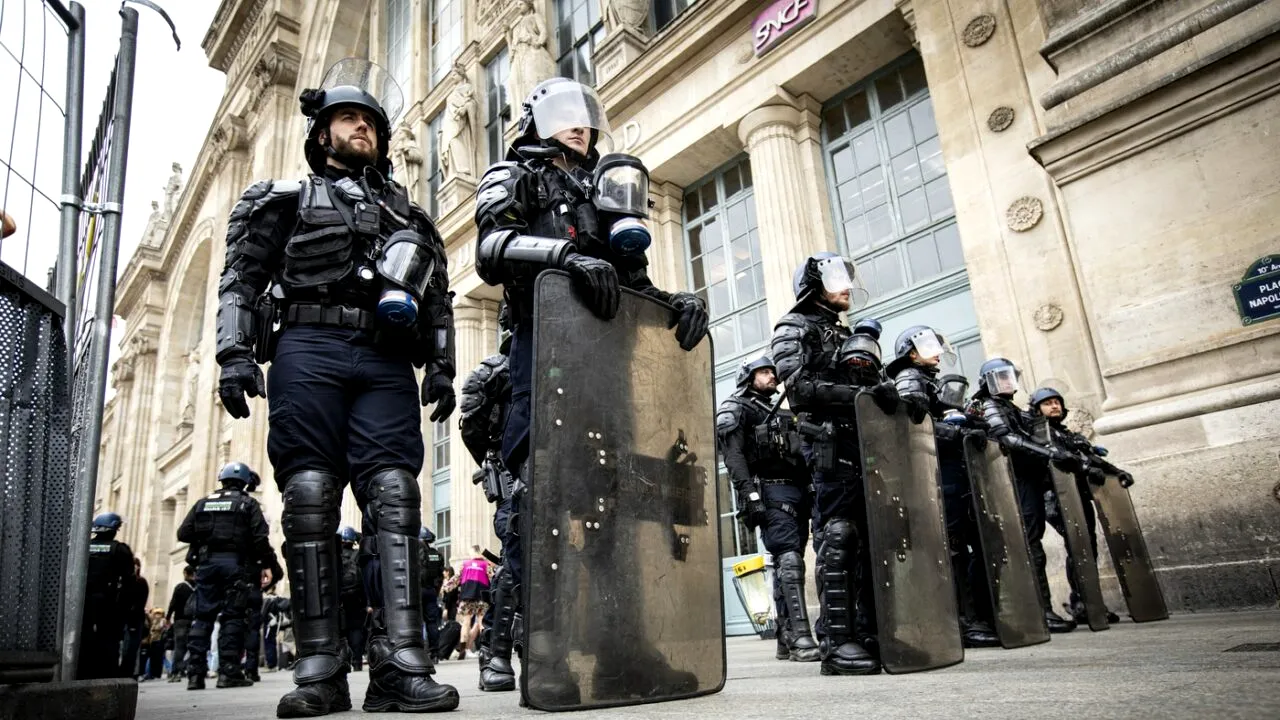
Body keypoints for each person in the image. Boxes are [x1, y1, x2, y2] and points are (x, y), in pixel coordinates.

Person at [213, 58, 459, 717]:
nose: (362, 128)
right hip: (307, 344)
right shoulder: (281, 200)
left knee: (395, 493)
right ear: (322, 133)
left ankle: (401, 663)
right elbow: (241, 277)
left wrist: (442, 364)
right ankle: (319, 669)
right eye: (349, 119)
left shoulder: (409, 215)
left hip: (385, 355)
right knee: (310, 495)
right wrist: (234, 354)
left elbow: (439, 297)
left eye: (371, 122)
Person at [472, 75, 708, 698]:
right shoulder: (516, 176)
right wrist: (563, 257)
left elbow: (633, 283)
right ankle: (543, 656)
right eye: (563, 114)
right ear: (536, 120)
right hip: (543, 355)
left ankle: (623, 652)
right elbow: (490, 249)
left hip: (605, 367)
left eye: (585, 116)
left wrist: (675, 305)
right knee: (541, 507)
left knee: (613, 510)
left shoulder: (606, 185)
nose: (579, 126)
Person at [771, 252, 896, 676]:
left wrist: (889, 393)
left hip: (864, 442)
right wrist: (861, 396)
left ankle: (868, 632)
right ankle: (836, 642)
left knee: (871, 537)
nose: (846, 287)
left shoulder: (845, 333)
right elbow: (800, 389)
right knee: (838, 535)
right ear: (813, 284)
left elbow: (870, 382)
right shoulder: (793, 327)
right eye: (836, 279)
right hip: (829, 443)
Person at [886, 327, 1000, 648]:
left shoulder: (932, 380)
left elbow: (947, 417)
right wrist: (955, 433)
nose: (936, 352)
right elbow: (911, 423)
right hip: (935, 474)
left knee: (969, 543)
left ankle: (980, 615)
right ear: (912, 352)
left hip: (953, 472)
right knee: (951, 547)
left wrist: (973, 425)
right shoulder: (910, 378)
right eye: (928, 347)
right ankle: (960, 621)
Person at [716, 355, 820, 663]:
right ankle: (800, 638)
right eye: (763, 372)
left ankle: (785, 638)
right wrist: (749, 494)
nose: (771, 376)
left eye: (772, 372)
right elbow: (733, 456)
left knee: (791, 561)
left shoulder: (782, 411)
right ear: (748, 377)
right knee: (788, 558)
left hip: (798, 489)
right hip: (770, 490)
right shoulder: (737, 408)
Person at [972, 358, 1078, 633]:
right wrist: (1050, 454)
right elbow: (1009, 440)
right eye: (1001, 377)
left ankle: (1042, 608)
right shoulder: (991, 406)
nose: (1008, 382)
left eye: (1009, 376)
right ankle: (1039, 610)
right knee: (1030, 546)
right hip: (1013, 481)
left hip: (1028, 480)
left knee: (1033, 544)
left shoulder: (1010, 407)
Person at [176, 462, 283, 690]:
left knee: (202, 618)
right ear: (245, 482)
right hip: (235, 565)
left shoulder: (203, 503)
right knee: (232, 617)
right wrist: (267, 564)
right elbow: (260, 539)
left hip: (207, 566)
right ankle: (228, 673)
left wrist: (206, 537)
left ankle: (195, 676)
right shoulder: (247, 504)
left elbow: (183, 533)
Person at [1029, 387, 1128, 624]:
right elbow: (1061, 459)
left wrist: (1117, 472)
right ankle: (1082, 603)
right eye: (1048, 403)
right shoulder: (1039, 434)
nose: (1054, 406)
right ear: (1037, 409)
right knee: (1078, 544)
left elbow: (1089, 456)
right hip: (1056, 496)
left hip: (1079, 494)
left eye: (1057, 402)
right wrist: (1085, 468)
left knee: (1087, 546)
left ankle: (1085, 600)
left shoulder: (1066, 434)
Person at [80, 513, 135, 680]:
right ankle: (107, 674)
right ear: (115, 529)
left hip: (84, 600)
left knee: (84, 636)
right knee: (109, 639)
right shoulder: (120, 549)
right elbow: (129, 580)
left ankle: (82, 671)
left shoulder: (83, 547)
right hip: (108, 601)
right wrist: (125, 606)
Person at [337, 526, 367, 671]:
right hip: (356, 596)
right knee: (356, 629)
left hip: (339, 597)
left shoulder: (335, 554)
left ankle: (343, 661)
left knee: (341, 630)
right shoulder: (358, 554)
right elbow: (365, 541)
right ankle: (357, 662)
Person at [455, 548, 491, 660]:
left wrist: (446, 587)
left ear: (472, 552)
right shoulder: (486, 564)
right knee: (481, 623)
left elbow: (456, 578)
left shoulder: (465, 564)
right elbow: (492, 578)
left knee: (466, 623)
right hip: (481, 597)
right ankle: (485, 648)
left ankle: (463, 650)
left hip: (467, 597)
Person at [165, 566, 196, 682]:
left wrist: (168, 618)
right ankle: (187, 668)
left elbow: (173, 603)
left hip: (180, 620)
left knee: (179, 647)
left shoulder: (180, 587)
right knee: (194, 646)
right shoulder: (197, 587)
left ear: (185, 573)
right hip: (194, 620)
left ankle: (176, 671)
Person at [121, 558, 150, 679]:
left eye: (135, 565)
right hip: (126, 619)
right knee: (125, 648)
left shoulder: (140, 581)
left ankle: (130, 673)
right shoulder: (125, 580)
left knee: (131, 648)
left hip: (135, 620)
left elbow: (140, 603)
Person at [419, 528, 445, 664]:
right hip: (431, 591)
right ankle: (434, 653)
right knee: (432, 622)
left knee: (416, 622)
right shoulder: (436, 555)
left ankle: (419, 652)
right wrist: (435, 590)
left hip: (416, 592)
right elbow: (440, 576)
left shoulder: (411, 553)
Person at [143, 608, 167, 679]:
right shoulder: (152, 620)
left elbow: (159, 628)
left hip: (159, 641)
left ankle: (157, 674)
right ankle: (151, 673)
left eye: (159, 613)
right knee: (152, 659)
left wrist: (154, 626)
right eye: (156, 613)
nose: (157, 615)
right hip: (152, 641)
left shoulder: (163, 620)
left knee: (158, 659)